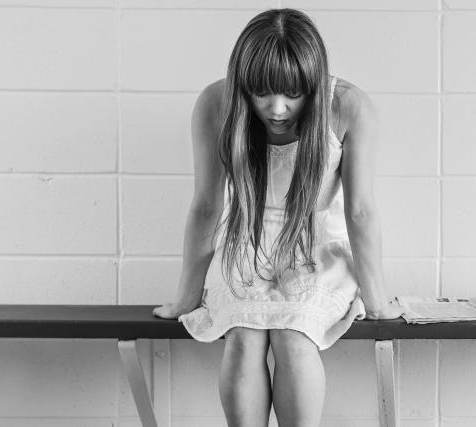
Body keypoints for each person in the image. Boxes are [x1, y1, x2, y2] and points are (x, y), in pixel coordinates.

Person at [150, 8, 404, 427]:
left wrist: (377, 303)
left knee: (293, 335)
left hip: (317, 248)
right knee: (244, 337)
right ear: (243, 84)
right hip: (244, 245)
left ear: (314, 84)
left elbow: (360, 210)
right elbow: (206, 207)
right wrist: (185, 297)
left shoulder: (348, 107)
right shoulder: (216, 103)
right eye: (262, 93)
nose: (278, 107)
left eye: (292, 94)